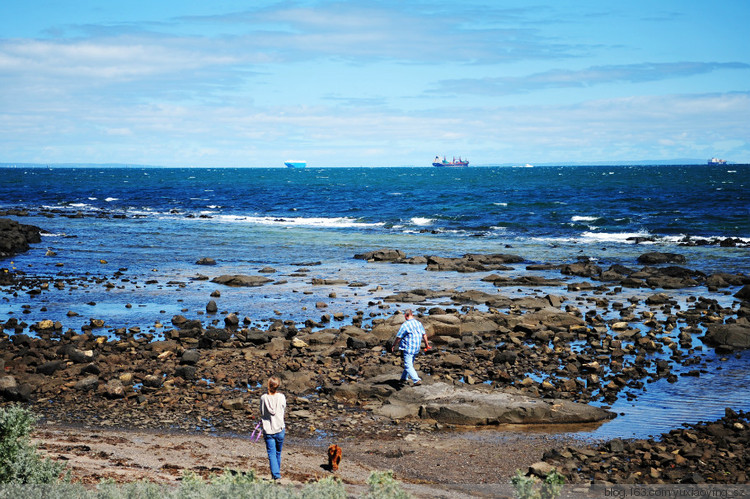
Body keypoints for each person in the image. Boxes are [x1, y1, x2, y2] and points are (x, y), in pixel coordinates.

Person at [391, 309, 431, 386]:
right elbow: (424, 334)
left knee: (408, 365)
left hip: (408, 348)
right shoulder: (418, 323)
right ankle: (403, 378)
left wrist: (394, 345)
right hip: (416, 347)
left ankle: (416, 380)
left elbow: (399, 337)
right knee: (409, 363)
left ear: (406, 315)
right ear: (411, 314)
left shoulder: (405, 325)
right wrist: (427, 345)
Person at [260, 375, 286, 481]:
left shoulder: (263, 398)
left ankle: (276, 475)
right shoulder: (281, 397)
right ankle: (276, 474)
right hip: (280, 427)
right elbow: (283, 409)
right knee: (277, 453)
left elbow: (262, 412)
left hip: (268, 429)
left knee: (271, 453)